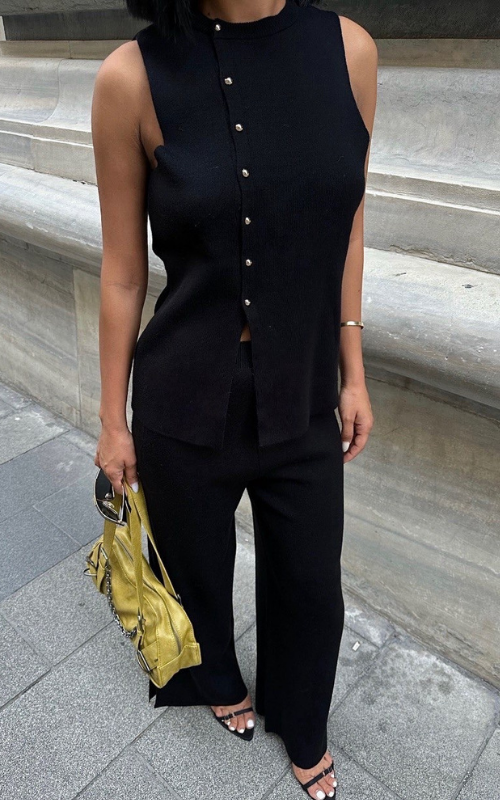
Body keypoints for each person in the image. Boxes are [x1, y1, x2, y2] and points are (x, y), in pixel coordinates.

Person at [91, 0, 377, 797]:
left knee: (311, 586)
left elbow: (350, 224)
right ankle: (218, 679)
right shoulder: (131, 77)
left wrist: (353, 372)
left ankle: (303, 722)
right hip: (184, 391)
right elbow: (122, 272)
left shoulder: (348, 50)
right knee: (194, 568)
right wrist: (111, 421)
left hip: (304, 385)